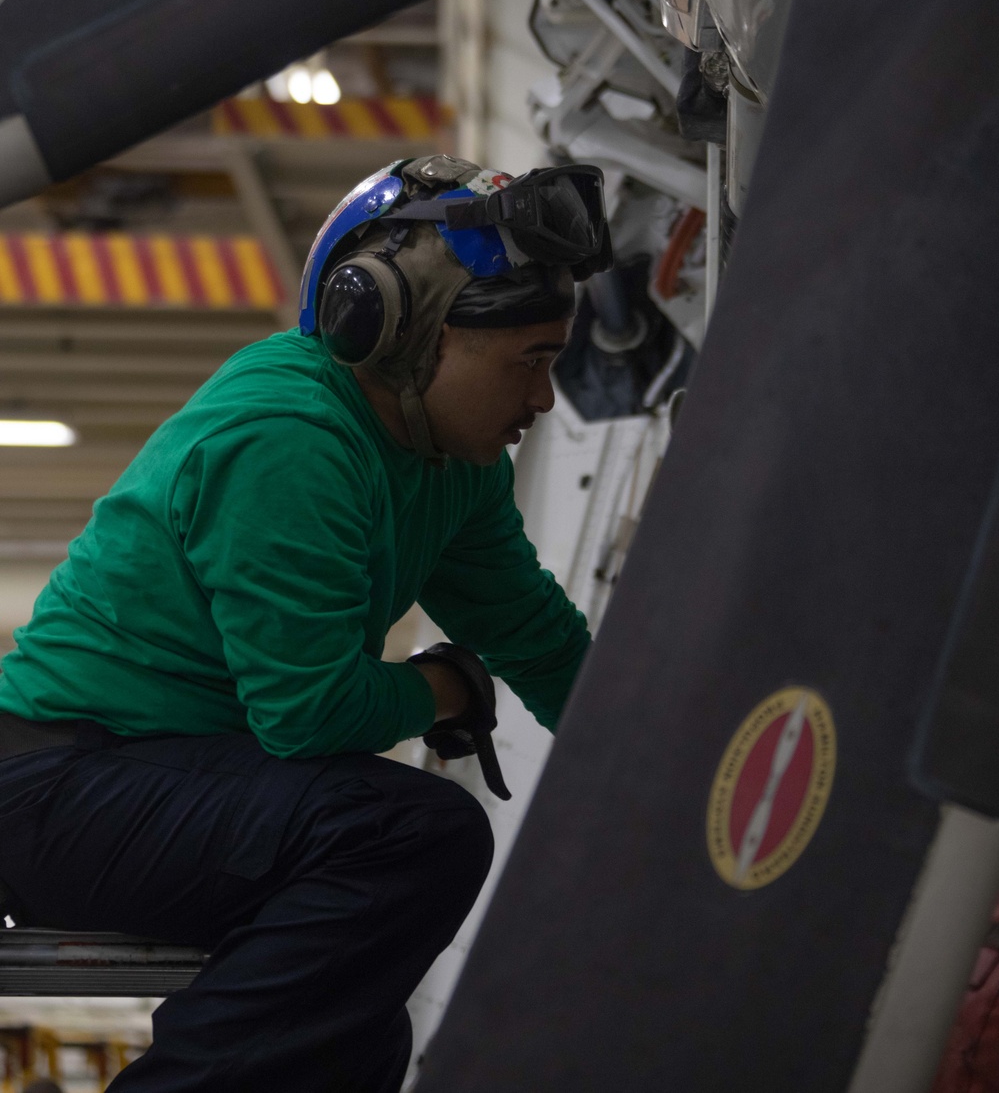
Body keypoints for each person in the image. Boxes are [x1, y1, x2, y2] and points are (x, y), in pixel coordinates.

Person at [0, 155, 610, 1093]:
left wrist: (662, 787)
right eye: (528, 362)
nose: (541, 400)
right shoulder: (289, 437)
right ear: (402, 333)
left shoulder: (449, 463)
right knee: (411, 836)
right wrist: (444, 687)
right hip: (56, 783)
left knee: (350, 1034)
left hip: (155, 776)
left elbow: (538, 636)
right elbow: (308, 714)